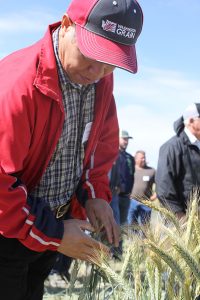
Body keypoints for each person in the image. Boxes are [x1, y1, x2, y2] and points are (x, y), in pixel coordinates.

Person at [0, 0, 143, 299]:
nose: (98, 71)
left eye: (110, 61)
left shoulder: (100, 82)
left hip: (50, 232)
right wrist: (53, 232)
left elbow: (98, 151)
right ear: (66, 26)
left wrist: (94, 197)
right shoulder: (15, 85)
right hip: (8, 231)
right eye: (93, 54)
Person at [156, 103, 200, 219]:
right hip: (181, 222)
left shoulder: (198, 146)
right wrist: (179, 217)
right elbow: (164, 189)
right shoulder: (172, 147)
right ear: (191, 121)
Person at [110, 130, 135, 225]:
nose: (126, 141)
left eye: (127, 139)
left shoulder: (129, 157)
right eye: (124, 139)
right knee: (114, 223)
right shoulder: (112, 154)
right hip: (114, 195)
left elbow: (132, 175)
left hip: (126, 196)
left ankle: (119, 240)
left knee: (123, 224)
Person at [127, 150, 156, 225]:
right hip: (131, 202)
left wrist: (156, 195)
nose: (144, 160)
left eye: (144, 158)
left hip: (146, 202)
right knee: (132, 225)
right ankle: (133, 237)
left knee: (145, 227)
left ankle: (145, 237)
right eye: (141, 158)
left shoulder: (151, 171)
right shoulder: (130, 170)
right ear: (135, 159)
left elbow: (160, 184)